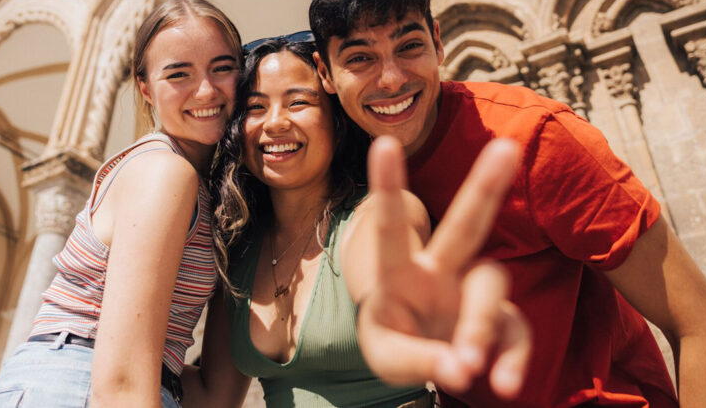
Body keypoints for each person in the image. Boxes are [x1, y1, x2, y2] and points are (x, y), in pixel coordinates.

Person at [307, 0, 706, 407]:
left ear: (438, 44)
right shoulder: (345, 166)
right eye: (360, 58)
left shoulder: (534, 138)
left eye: (409, 46)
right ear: (326, 74)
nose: (393, 78)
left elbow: (703, 323)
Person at [180, 33, 529, 407]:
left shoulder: (377, 214)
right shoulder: (240, 248)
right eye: (255, 107)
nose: (275, 123)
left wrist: (401, 305)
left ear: (337, 120)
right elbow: (210, 398)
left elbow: (381, 281)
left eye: (299, 102)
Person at [0, 0, 242, 408]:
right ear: (146, 89)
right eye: (179, 74)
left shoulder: (206, 193)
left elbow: (211, 393)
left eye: (223, 68)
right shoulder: (164, 171)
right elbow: (121, 384)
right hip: (77, 385)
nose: (206, 90)